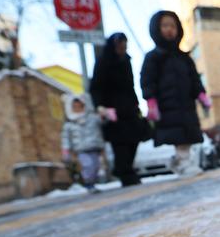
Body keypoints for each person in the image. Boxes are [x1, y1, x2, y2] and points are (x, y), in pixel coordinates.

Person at [140, 10, 212, 176]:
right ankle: (184, 162)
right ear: (156, 29)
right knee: (178, 136)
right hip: (166, 105)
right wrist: (151, 101)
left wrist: (201, 95)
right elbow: (147, 80)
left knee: (188, 133)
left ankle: (180, 161)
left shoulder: (184, 57)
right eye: (165, 25)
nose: (169, 29)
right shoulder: (153, 57)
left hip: (186, 104)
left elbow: (194, 79)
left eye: (173, 25)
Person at [90, 32, 146, 187]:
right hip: (112, 110)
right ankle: (126, 173)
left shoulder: (126, 61)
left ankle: (124, 169)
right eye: (120, 45)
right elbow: (96, 87)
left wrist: (137, 105)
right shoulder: (103, 62)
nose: (123, 48)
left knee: (134, 139)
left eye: (125, 45)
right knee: (120, 143)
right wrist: (100, 106)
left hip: (130, 108)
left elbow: (131, 86)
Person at [61, 94, 106, 194]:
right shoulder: (69, 124)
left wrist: (105, 114)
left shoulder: (92, 118)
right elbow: (66, 138)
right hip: (81, 149)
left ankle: (92, 182)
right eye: (75, 107)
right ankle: (89, 183)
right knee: (88, 165)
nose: (77, 108)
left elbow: (102, 121)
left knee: (95, 166)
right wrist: (66, 151)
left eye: (80, 106)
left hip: (94, 146)